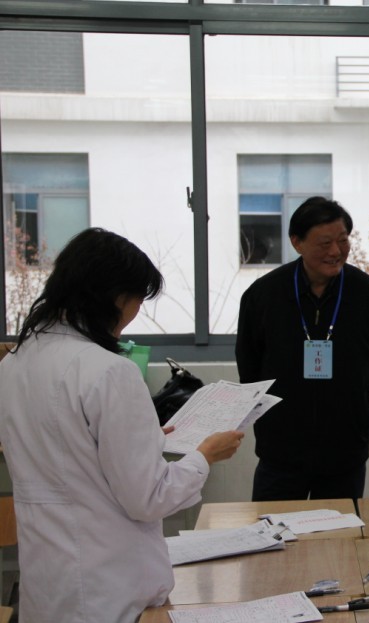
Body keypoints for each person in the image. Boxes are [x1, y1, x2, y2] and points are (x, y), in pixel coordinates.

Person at [0, 228, 244, 623]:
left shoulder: (14, 364)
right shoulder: (110, 371)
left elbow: (66, 452)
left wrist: (141, 440)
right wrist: (204, 456)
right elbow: (148, 498)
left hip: (48, 586)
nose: (134, 314)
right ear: (113, 297)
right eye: (137, 300)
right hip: (109, 590)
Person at [237, 196, 369, 501]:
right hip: (280, 451)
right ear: (297, 242)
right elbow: (249, 366)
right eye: (324, 243)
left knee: (341, 530)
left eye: (342, 240)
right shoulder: (264, 295)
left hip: (345, 450)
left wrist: (345, 396)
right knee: (272, 527)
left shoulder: (367, 294)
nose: (336, 251)